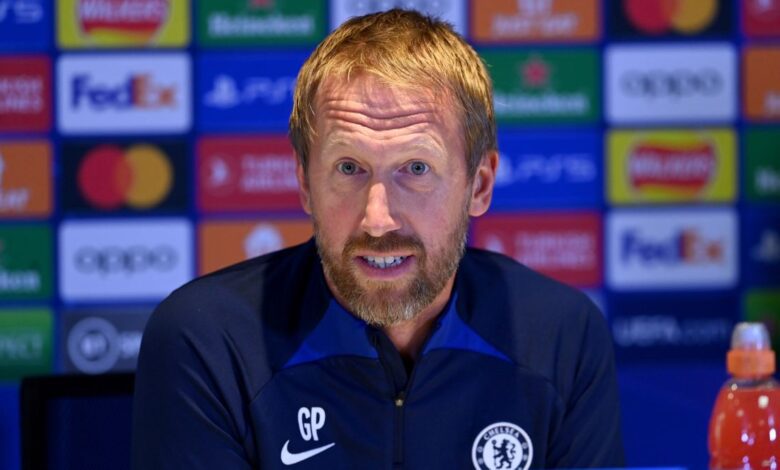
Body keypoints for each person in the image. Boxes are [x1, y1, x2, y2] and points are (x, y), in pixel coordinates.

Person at [132, 9, 623, 469]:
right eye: (349, 168)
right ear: (305, 183)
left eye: (416, 168)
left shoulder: (562, 336)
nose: (378, 219)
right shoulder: (209, 339)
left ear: (479, 185)